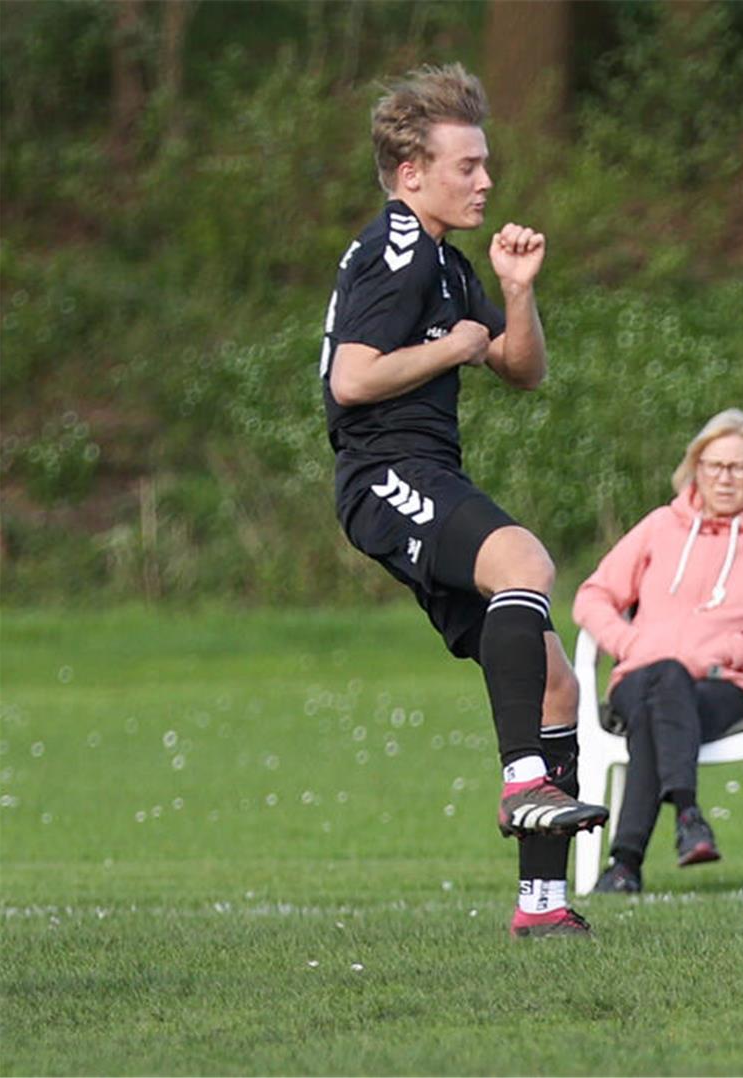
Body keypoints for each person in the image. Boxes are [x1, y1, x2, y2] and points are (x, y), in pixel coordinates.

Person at [320, 63, 606, 940]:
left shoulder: (444, 260)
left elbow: (520, 369)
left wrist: (515, 294)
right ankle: (524, 780)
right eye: (467, 166)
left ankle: (543, 908)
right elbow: (353, 377)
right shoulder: (398, 250)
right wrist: (450, 349)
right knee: (526, 561)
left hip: (428, 475)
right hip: (386, 476)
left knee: (555, 682)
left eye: (486, 165)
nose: (486, 181)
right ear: (413, 174)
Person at [572, 409, 743, 894]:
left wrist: (731, 650)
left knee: (657, 706)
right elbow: (592, 596)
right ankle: (687, 812)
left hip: (722, 684)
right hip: (639, 675)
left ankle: (625, 865)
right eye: (714, 465)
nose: (725, 478)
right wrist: (628, 642)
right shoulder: (661, 525)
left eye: (740, 466)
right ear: (695, 468)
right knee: (661, 679)